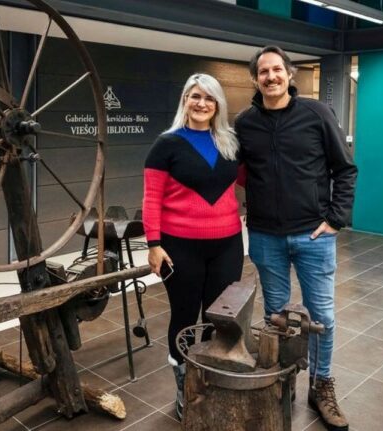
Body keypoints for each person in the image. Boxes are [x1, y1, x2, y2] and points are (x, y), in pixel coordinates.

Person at [235, 46, 357, 431]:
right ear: (255, 79)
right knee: (277, 316)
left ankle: (320, 385)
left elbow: (346, 169)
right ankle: (283, 380)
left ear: (289, 75)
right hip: (266, 236)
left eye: (276, 70)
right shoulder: (244, 123)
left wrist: (336, 220)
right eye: (263, 72)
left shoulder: (317, 114)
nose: (270, 77)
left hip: (313, 235)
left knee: (321, 316)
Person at [142, 73, 243, 420]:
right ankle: (185, 385)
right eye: (195, 96)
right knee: (185, 317)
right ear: (185, 99)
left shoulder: (230, 142)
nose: (202, 104)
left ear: (218, 105)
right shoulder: (166, 144)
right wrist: (153, 244)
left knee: (219, 317)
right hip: (179, 246)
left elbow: (245, 181)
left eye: (209, 98)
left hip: (228, 244)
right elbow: (151, 199)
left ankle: (210, 380)